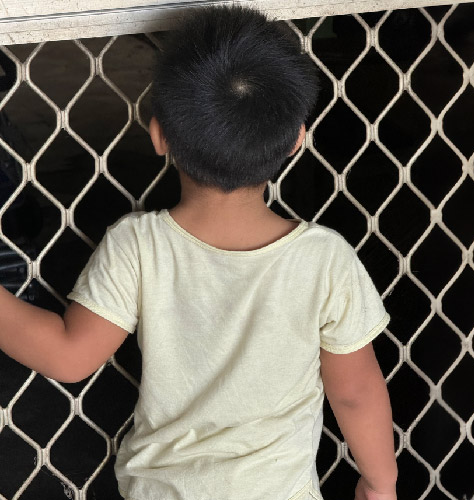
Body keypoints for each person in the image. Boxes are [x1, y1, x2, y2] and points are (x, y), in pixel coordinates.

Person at [0, 6, 397, 500]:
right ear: (297, 139)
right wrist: (380, 483)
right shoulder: (325, 260)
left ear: (159, 135)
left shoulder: (138, 245)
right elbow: (355, 392)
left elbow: (68, 357)